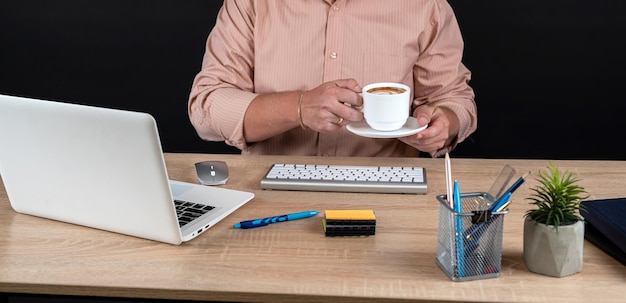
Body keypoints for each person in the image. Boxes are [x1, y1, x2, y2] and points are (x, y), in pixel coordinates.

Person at [188, 0, 477, 158]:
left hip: (388, 192)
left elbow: (454, 100)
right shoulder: (250, 4)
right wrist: (298, 107)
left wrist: (444, 123)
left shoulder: (426, 6)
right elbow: (206, 108)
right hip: (268, 190)